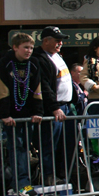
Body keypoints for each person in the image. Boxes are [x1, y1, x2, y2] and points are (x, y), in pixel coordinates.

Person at [0, 33, 44, 194]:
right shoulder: (5, 63)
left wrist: (37, 111)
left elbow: (37, 90)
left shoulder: (34, 63)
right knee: (16, 148)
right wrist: (5, 114)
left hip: (27, 115)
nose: (29, 51)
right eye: (25, 47)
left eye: (31, 47)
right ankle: (20, 183)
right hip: (12, 117)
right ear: (15, 47)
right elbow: (1, 90)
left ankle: (25, 182)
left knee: (25, 148)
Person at [32, 26, 73, 184]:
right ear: (46, 40)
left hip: (66, 107)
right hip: (53, 109)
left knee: (65, 145)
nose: (60, 43)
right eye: (57, 40)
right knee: (50, 145)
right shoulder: (39, 58)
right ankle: (49, 176)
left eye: (61, 40)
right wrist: (54, 107)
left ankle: (63, 174)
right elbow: (44, 86)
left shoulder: (57, 56)